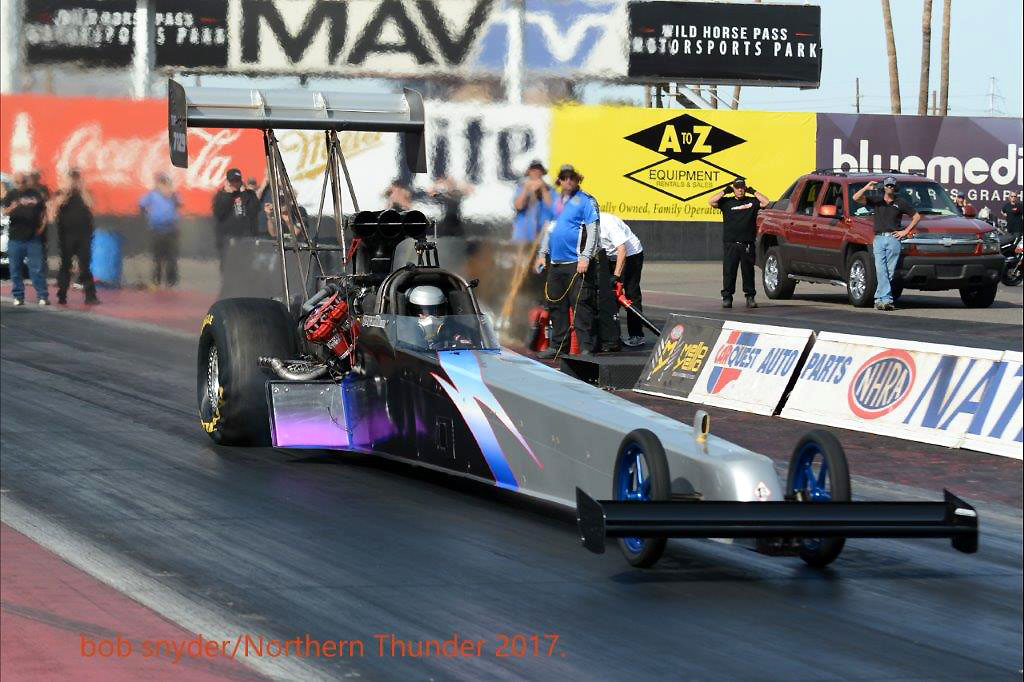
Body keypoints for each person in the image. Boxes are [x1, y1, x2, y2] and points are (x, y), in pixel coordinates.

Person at [534, 164, 599, 359]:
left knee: (581, 305)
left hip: (576, 262)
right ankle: (558, 346)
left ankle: (586, 347)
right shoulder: (555, 201)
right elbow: (549, 228)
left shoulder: (586, 201)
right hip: (556, 263)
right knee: (556, 305)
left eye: (572, 177)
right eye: (564, 177)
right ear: (559, 180)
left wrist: (586, 257)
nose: (568, 180)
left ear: (578, 179)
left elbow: (593, 230)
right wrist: (542, 253)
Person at [852, 176, 921, 311]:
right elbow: (856, 198)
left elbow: (917, 216)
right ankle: (887, 300)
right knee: (880, 270)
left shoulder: (900, 202)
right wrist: (866, 187)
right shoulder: (876, 200)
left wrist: (905, 231)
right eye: (887, 185)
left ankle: (880, 300)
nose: (890, 187)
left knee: (889, 272)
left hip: (893, 239)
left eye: (892, 186)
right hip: (879, 238)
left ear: (895, 188)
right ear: (883, 187)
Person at [709, 178, 769, 308]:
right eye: (737, 188)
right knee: (729, 271)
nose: (740, 190)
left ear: (745, 188)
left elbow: (766, 202)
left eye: (742, 187)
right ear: (733, 189)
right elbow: (711, 201)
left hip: (747, 243)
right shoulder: (727, 202)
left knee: (748, 272)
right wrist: (725, 191)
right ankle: (727, 297)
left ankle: (750, 297)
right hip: (731, 243)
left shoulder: (752, 201)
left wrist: (753, 191)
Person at [50, 169, 99, 305]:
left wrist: (82, 189)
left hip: (84, 234)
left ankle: (90, 295)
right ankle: (62, 294)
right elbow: (55, 207)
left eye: (76, 179)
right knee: (66, 264)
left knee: (85, 265)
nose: (74, 182)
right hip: (67, 235)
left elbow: (91, 204)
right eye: (72, 179)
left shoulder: (85, 193)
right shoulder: (61, 193)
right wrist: (67, 191)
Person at [598, 212, 646, 347]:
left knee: (631, 293)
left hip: (631, 255)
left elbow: (622, 249)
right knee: (607, 296)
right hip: (609, 256)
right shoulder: (580, 223)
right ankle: (611, 336)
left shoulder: (607, 223)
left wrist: (616, 276)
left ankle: (637, 335)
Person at [2, 172, 49, 305]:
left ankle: (42, 296)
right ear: (15, 183)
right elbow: (4, 212)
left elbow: (43, 212)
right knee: (15, 269)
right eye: (18, 182)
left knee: (37, 269)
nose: (21, 184)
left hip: (33, 238)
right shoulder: (11, 194)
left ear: (26, 181)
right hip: (15, 238)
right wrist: (13, 207)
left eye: (23, 181)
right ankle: (18, 296)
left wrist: (42, 227)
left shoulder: (35, 194)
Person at [139, 172, 182, 287]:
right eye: (161, 183)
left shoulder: (174, 195)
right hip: (156, 230)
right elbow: (142, 204)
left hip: (171, 230)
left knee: (171, 257)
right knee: (157, 257)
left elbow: (179, 204)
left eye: (166, 183)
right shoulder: (152, 195)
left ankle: (171, 280)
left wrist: (171, 194)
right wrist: (148, 215)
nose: (164, 186)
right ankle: (156, 279)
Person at [212, 168, 259, 271]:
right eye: (232, 181)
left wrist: (244, 193)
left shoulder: (249, 195)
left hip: (245, 240)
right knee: (228, 270)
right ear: (227, 182)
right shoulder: (220, 196)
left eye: (237, 181)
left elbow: (254, 210)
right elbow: (219, 214)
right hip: (228, 241)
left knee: (246, 269)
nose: (235, 184)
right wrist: (228, 195)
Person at [512, 160, 553, 243]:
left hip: (543, 236)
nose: (536, 172)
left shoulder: (550, 190)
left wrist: (543, 189)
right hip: (522, 236)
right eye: (533, 170)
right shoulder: (520, 188)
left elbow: (553, 208)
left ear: (542, 173)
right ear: (528, 172)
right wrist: (526, 190)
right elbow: (518, 206)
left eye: (539, 170)